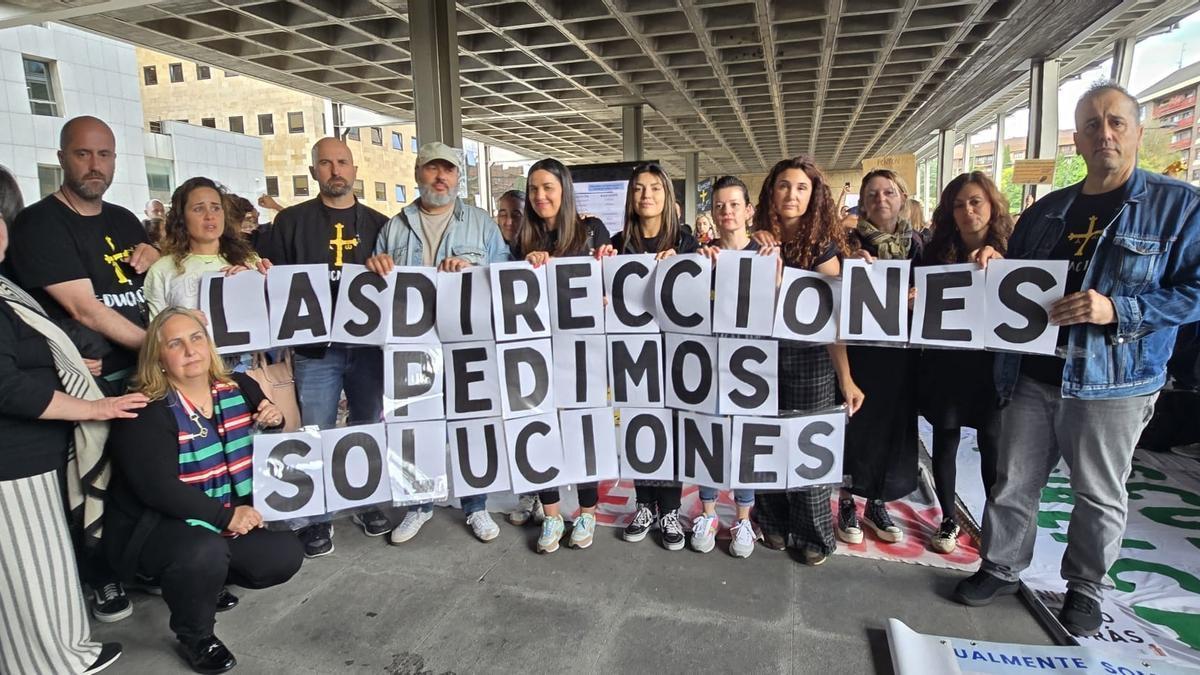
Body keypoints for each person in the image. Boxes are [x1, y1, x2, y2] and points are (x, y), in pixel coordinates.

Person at [954, 82, 1200, 636]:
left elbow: (1196, 290)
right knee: (1013, 479)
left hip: (1113, 380)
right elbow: (1013, 282)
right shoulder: (1048, 211)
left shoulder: (1179, 208)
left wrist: (1119, 309)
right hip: (1032, 374)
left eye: (1115, 122)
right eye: (1092, 124)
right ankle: (1001, 566)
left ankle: (1086, 587)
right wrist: (995, 262)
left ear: (1138, 131)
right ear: (1077, 139)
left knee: (1098, 491)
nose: (1104, 133)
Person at [8, 115, 159, 621]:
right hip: (83, 380)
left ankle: (142, 565)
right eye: (83, 154)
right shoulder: (38, 225)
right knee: (90, 485)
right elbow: (84, 309)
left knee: (139, 480)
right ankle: (100, 578)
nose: (95, 165)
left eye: (105, 155)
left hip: (136, 372)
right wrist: (165, 348)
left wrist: (155, 251)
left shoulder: (122, 219)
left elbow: (142, 288)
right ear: (61, 158)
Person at [104, 308, 303, 674]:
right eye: (175, 343)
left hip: (213, 511)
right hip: (152, 526)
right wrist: (227, 516)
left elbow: (257, 433)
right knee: (203, 550)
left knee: (284, 554)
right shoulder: (145, 409)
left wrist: (272, 422)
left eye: (197, 338)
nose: (190, 350)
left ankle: (202, 580)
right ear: (158, 358)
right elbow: (156, 488)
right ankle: (195, 635)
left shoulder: (234, 388)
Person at [367, 141, 512, 545]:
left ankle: (476, 505)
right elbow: (375, 285)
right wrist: (375, 266)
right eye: (432, 169)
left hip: (465, 341)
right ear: (418, 174)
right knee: (416, 425)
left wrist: (471, 268)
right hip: (413, 344)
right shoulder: (395, 226)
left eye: (447, 170)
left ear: (458, 176)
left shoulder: (480, 223)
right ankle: (419, 505)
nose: (440, 177)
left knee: (471, 422)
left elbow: (503, 271)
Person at [258, 137, 388, 557]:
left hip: (367, 348)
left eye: (343, 162)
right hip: (316, 349)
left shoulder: (379, 223)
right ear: (314, 171)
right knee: (315, 430)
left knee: (367, 426)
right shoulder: (291, 222)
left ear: (355, 169)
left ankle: (366, 502)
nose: (336, 170)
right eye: (326, 163)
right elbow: (273, 281)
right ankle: (317, 518)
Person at [747, 160, 866, 563]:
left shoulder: (822, 249)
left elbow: (834, 321)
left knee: (809, 447)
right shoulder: (755, 242)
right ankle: (774, 523)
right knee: (765, 442)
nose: (792, 195)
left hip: (810, 361)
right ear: (771, 192)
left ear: (814, 195)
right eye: (784, 186)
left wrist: (845, 379)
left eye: (801, 188)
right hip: (757, 358)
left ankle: (814, 534)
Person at [512, 158, 612, 553]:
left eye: (547, 187)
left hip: (584, 351)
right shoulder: (523, 239)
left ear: (564, 189)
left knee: (582, 430)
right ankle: (552, 514)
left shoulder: (591, 231)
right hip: (537, 351)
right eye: (533, 189)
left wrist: (605, 271)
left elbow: (611, 282)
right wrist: (526, 264)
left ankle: (586, 511)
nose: (540, 196)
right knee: (538, 429)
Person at [917, 172, 1011, 554]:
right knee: (946, 438)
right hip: (948, 364)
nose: (968, 210)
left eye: (975, 202)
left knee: (994, 443)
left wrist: (1003, 264)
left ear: (991, 205)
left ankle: (996, 525)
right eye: (959, 204)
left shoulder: (1013, 249)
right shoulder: (935, 251)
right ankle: (950, 518)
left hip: (994, 368)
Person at [612, 162, 697, 551]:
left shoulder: (686, 242)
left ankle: (669, 509)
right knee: (639, 428)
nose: (646, 196)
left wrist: (684, 263)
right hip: (634, 355)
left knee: (672, 431)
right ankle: (643, 503)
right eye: (639, 189)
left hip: (676, 354)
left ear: (667, 195)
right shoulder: (617, 244)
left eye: (655, 189)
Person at [837, 169, 923, 546]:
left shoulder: (919, 244)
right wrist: (848, 266)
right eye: (872, 193)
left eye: (888, 192)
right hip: (860, 352)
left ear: (901, 197)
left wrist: (922, 293)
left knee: (891, 429)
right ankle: (845, 502)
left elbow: (940, 284)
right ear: (863, 201)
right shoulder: (847, 241)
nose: (881, 199)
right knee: (853, 428)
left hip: (901, 354)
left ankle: (876, 502)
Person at [143, 178, 267, 319]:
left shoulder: (250, 261)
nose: (209, 216)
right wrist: (179, 322)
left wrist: (260, 281)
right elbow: (154, 334)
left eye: (215, 208)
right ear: (182, 217)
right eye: (198, 209)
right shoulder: (161, 270)